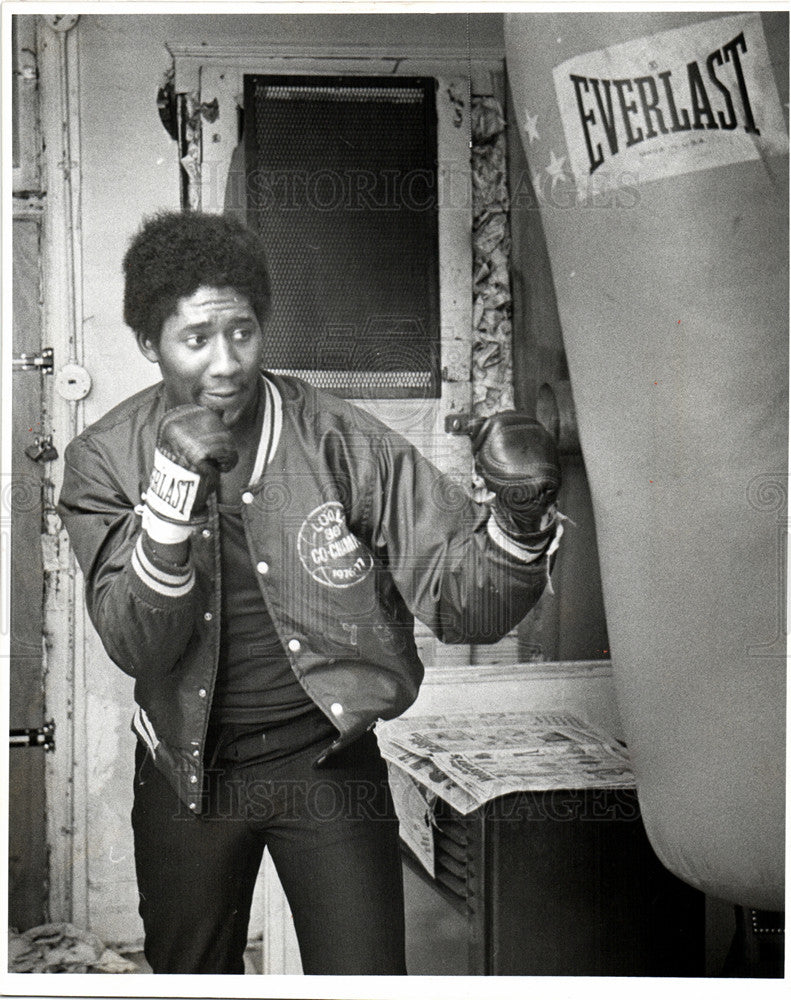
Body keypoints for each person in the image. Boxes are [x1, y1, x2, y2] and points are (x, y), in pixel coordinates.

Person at [57, 210, 563, 975]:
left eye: (244, 332)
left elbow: (464, 607)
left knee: (363, 981)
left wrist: (518, 523)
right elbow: (137, 645)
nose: (226, 362)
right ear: (148, 345)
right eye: (196, 340)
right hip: (185, 773)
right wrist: (167, 501)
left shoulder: (336, 438)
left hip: (325, 760)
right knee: (190, 980)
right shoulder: (103, 459)